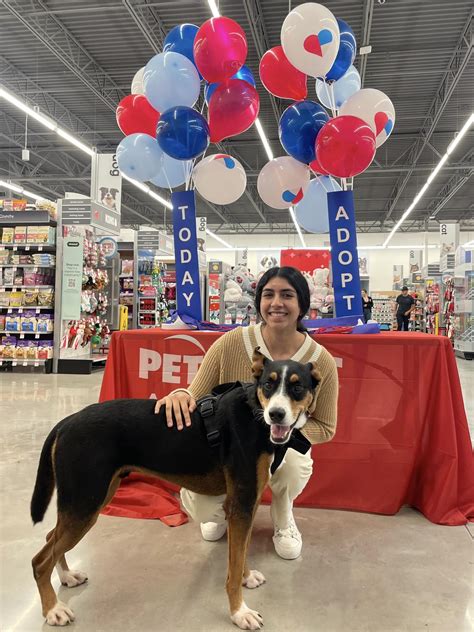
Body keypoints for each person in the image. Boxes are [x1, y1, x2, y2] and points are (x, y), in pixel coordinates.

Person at [155, 266, 339, 560]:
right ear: (259, 302)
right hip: (227, 447)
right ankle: (219, 512)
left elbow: (326, 427)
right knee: (200, 501)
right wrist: (180, 394)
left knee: (290, 463)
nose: (277, 303)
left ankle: (283, 516)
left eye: (287, 295)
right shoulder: (231, 343)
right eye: (269, 294)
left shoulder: (321, 361)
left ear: (303, 304)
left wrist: (284, 431)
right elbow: (196, 391)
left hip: (284, 444)